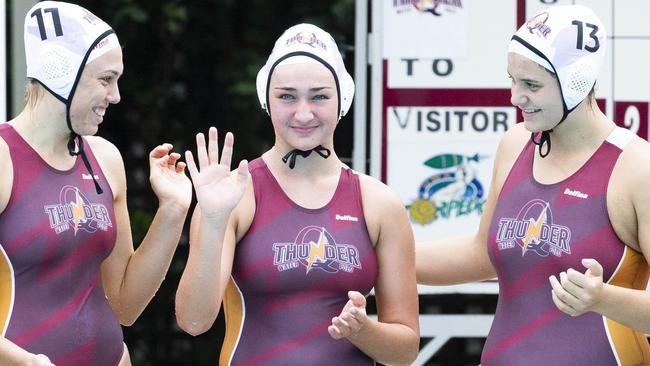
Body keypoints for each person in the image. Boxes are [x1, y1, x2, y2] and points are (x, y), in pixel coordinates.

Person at [416, 4, 650, 365]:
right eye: (511, 79)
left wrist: (602, 299)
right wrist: (384, 260)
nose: (514, 97)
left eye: (531, 85)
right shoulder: (515, 144)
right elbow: (481, 255)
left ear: (578, 81)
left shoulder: (635, 167)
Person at [175, 23, 419, 365]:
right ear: (266, 100)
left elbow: (405, 349)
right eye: (287, 96)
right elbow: (194, 322)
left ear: (342, 99)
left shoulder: (378, 204)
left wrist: (363, 329)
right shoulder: (233, 195)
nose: (303, 113)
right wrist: (213, 221)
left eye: (319, 96)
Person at [0, 2, 192, 365]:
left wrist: (173, 210)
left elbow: (125, 304)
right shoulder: (4, 158)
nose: (116, 96)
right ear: (62, 73)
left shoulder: (104, 158)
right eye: (106, 79)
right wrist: (24, 361)